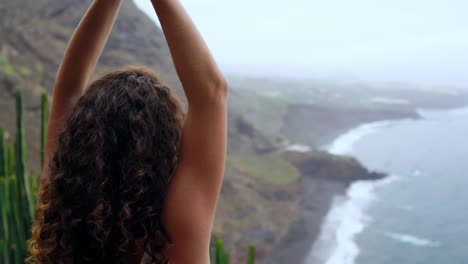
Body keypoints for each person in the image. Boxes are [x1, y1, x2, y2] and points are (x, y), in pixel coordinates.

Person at [27, 0, 227, 263]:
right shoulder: (177, 233)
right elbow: (210, 93)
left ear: (79, 141)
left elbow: (69, 89)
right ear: (163, 149)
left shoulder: (61, 202)